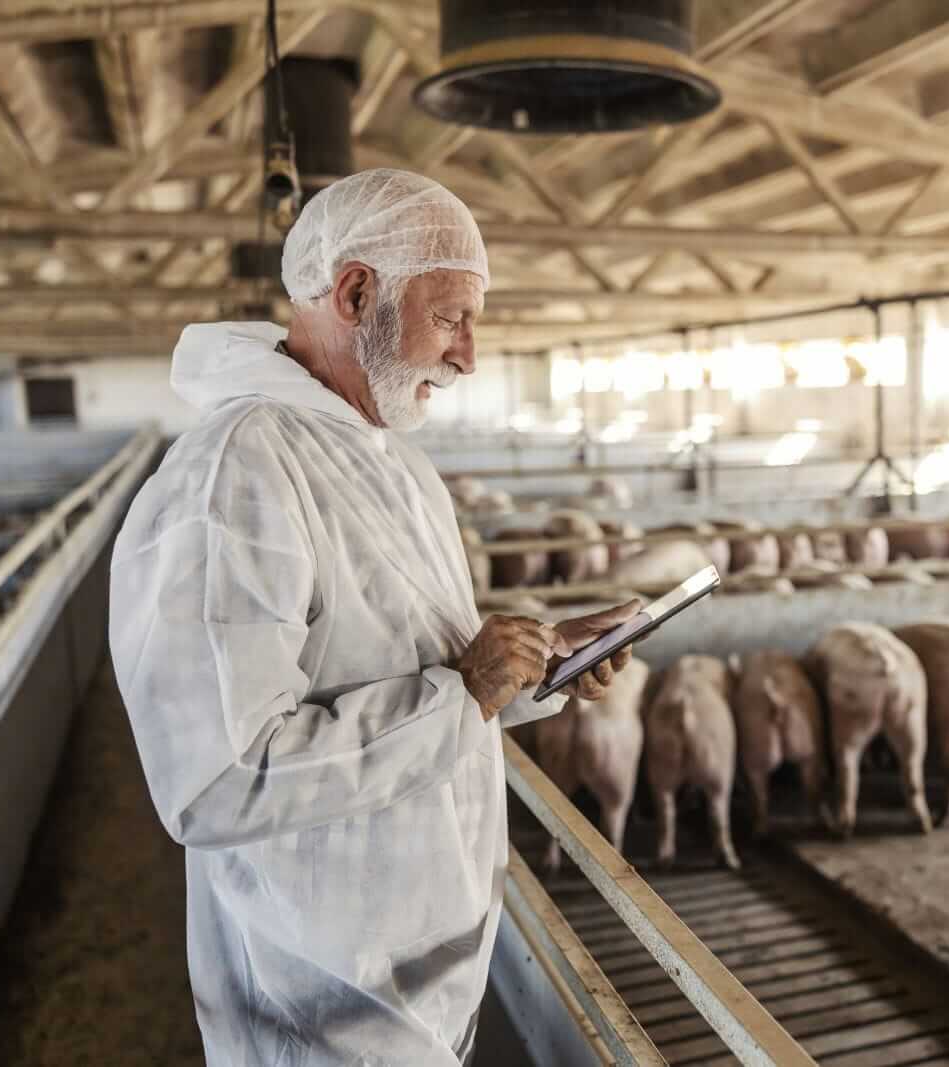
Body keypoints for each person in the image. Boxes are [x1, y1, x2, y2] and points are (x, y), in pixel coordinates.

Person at [108, 169, 639, 1066]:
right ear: (356, 293)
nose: (469, 354)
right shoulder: (233, 477)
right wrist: (464, 690)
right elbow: (217, 776)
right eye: (451, 317)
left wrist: (538, 662)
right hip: (314, 1005)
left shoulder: (390, 462)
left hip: (412, 983)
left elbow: (421, 666)